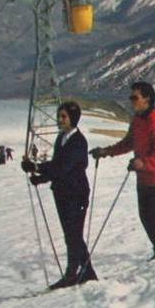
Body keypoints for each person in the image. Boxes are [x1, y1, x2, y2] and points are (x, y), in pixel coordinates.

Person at [91, 81, 155, 261]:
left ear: (147, 99)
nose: (131, 101)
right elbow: (128, 143)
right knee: (145, 216)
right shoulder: (137, 120)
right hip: (143, 178)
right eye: (131, 97)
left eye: (134, 97)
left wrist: (142, 164)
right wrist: (106, 152)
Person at [22, 101, 97, 289]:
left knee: (74, 234)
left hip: (76, 193)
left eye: (64, 116)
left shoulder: (78, 141)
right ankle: (84, 273)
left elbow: (63, 167)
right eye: (59, 116)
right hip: (63, 192)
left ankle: (76, 274)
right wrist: (41, 177)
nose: (60, 120)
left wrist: (37, 167)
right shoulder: (61, 138)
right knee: (71, 234)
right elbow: (57, 165)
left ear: (73, 118)